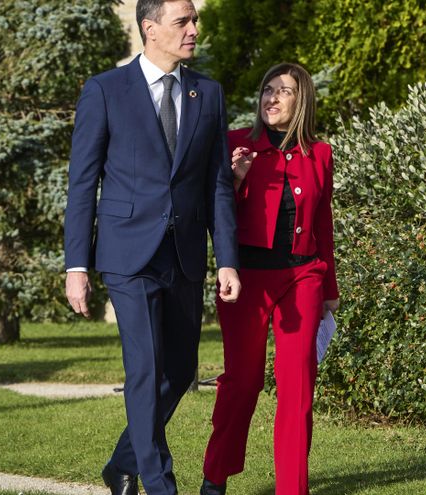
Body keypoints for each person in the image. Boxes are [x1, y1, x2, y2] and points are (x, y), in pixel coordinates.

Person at [63, 1, 241, 494]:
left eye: (194, 20)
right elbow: (83, 183)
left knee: (181, 368)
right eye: (183, 21)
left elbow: (217, 185)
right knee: (145, 368)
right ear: (150, 28)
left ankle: (123, 462)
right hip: (126, 253)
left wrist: (226, 258)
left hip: (184, 252)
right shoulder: (106, 90)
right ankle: (160, 485)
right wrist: (76, 264)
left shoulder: (208, 92)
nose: (193, 29)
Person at [201, 63, 340, 495]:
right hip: (246, 279)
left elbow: (323, 221)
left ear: (302, 101)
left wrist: (330, 289)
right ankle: (215, 476)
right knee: (243, 382)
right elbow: (216, 213)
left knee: (298, 386)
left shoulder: (320, 153)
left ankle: (292, 490)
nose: (272, 99)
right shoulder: (235, 145)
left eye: (284, 92)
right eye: (268, 90)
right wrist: (235, 180)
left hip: (303, 276)